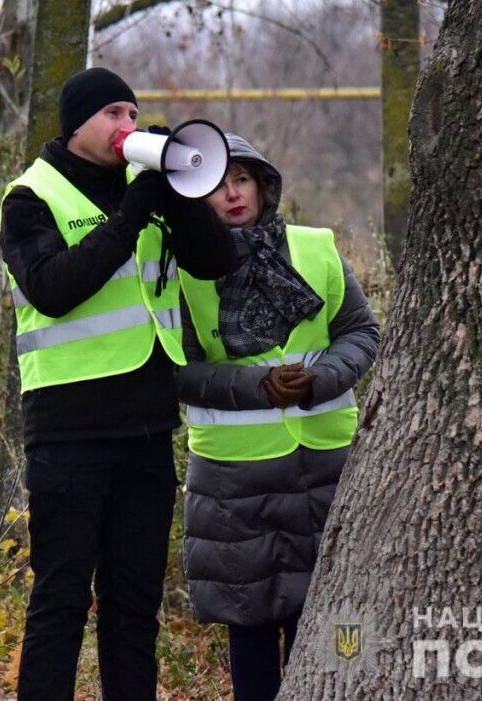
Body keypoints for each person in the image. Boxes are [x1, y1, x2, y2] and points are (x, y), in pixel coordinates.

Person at [0, 67, 237, 701]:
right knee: (61, 601)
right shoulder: (31, 196)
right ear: (77, 123)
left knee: (134, 606)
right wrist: (131, 216)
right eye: (113, 114)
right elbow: (52, 289)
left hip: (147, 427)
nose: (127, 125)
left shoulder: (145, 186)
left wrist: (180, 194)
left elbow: (216, 260)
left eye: (133, 114)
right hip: (69, 432)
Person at [177, 133, 380, 701]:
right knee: (252, 632)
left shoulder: (316, 249)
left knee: (337, 629)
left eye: (241, 179)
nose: (232, 194)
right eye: (217, 185)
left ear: (263, 185)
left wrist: (322, 378)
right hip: (235, 484)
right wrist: (258, 386)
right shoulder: (182, 273)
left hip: (327, 467)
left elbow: (360, 331)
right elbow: (177, 370)